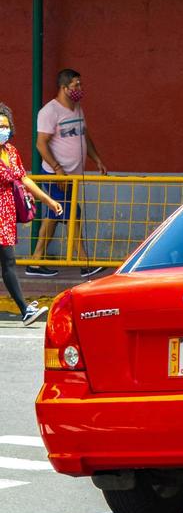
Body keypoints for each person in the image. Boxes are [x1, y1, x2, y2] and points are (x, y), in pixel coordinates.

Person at [28, 68, 107, 278]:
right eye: (76, 85)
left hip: (72, 175)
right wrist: (57, 169)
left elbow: (84, 137)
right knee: (71, 215)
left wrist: (97, 159)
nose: (80, 89)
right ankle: (83, 262)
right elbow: (41, 144)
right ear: (63, 88)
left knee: (56, 216)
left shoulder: (77, 108)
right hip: (57, 176)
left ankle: (36, 262)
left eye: (80, 84)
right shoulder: (49, 112)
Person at [0, 104, 63, 325]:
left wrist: (48, 200)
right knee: (7, 261)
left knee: (8, 262)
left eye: (5, 126)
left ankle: (24, 309)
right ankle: (24, 309)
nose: (3, 130)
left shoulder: (11, 152)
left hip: (5, 215)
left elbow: (24, 179)